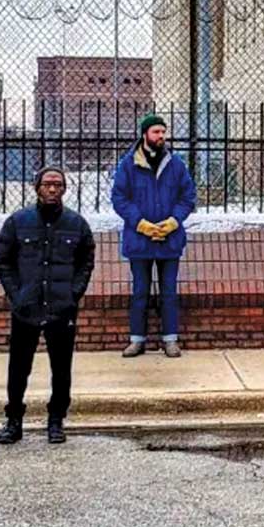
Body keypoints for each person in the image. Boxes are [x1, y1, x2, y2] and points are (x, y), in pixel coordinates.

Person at [0, 167, 95, 445]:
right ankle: (14, 420)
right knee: (19, 367)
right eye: (47, 184)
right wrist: (17, 296)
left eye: (58, 185)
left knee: (61, 368)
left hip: (62, 308)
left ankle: (56, 419)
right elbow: (3, 260)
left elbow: (86, 261)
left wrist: (73, 294)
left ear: (64, 189)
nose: (52, 189)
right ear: (37, 187)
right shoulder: (18, 222)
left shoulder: (77, 224)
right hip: (27, 307)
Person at [111, 114, 197, 359]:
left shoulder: (176, 164)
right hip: (140, 240)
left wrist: (173, 221)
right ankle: (137, 340)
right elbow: (120, 198)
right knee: (140, 292)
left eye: (163, 131)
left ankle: (170, 339)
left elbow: (187, 196)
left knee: (169, 292)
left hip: (169, 240)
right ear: (145, 134)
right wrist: (141, 224)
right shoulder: (128, 164)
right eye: (156, 132)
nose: (161, 136)